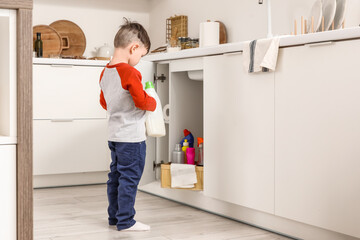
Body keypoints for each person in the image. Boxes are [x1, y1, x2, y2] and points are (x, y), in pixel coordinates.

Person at [99, 18, 156, 232]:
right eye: (141, 55)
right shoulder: (130, 72)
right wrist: (152, 102)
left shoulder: (106, 71)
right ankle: (126, 221)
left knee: (115, 176)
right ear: (134, 47)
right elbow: (141, 101)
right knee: (129, 178)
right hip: (131, 138)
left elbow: (104, 102)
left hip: (114, 136)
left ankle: (114, 217)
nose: (139, 60)